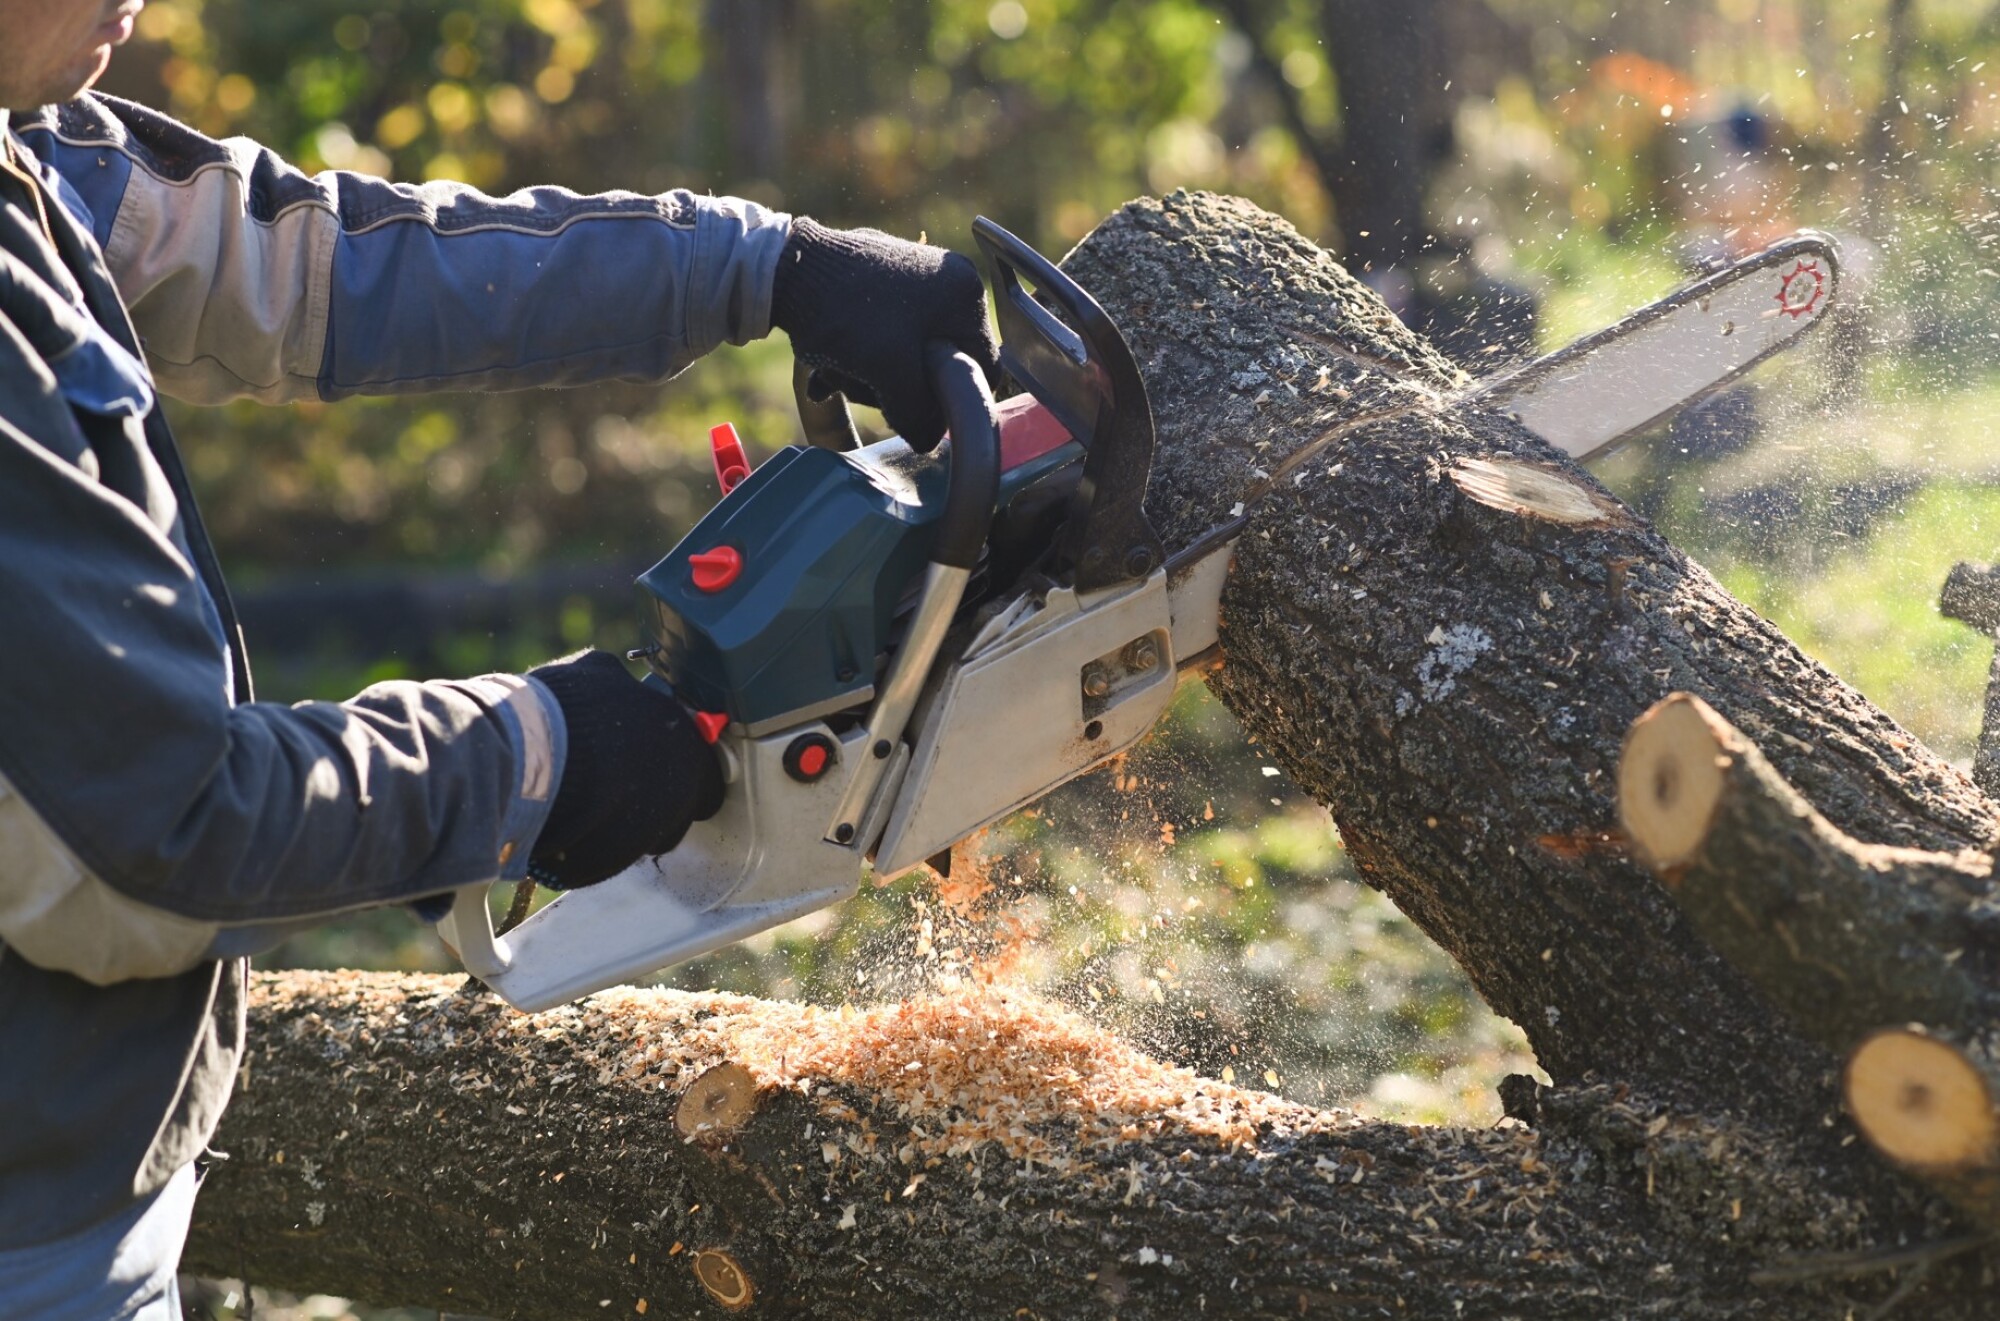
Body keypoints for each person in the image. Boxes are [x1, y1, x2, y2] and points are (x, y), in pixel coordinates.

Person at [0, 2, 1001, 1316]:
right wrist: (543, 754)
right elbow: (163, 825)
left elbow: (313, 268)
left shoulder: (30, 151)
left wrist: (766, 267)